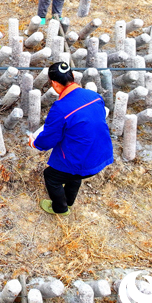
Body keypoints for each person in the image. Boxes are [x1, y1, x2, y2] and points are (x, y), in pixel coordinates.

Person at [30, 61, 113, 216]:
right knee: (73, 175)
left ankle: (60, 208)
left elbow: (50, 138)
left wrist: (35, 143)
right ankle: (69, 200)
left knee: (51, 177)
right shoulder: (94, 96)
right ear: (73, 76)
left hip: (82, 160)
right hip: (102, 153)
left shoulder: (61, 107)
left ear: (54, 84)